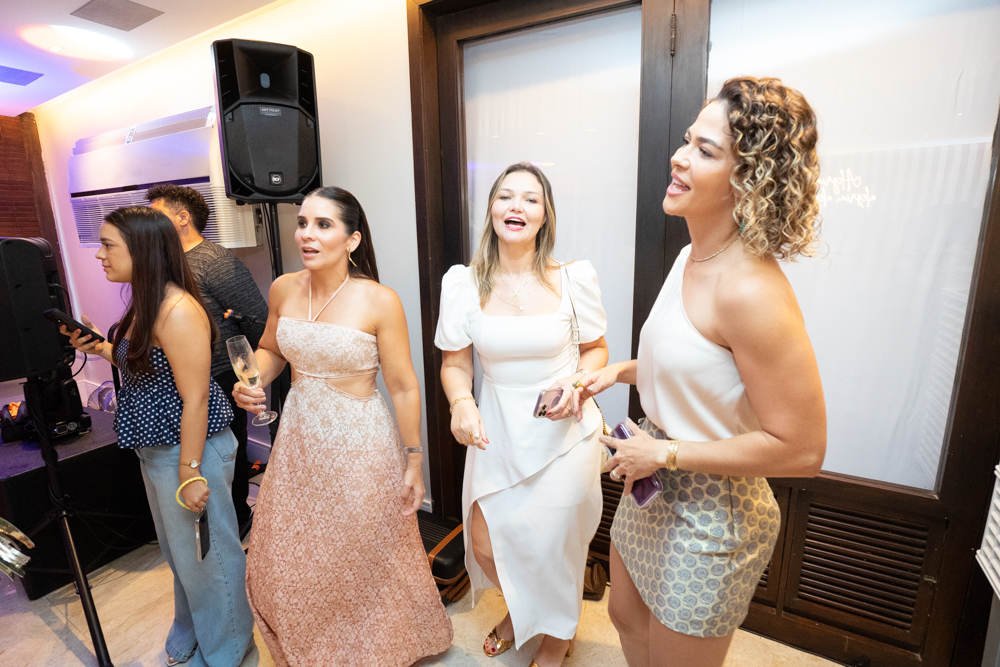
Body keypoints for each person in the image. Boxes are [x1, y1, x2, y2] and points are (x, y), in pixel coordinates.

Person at [577, 76, 827, 667]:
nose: (679, 156)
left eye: (706, 151)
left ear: (750, 180)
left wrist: (663, 454)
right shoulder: (691, 254)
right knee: (626, 619)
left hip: (714, 513)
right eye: (688, 140)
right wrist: (618, 372)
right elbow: (698, 364)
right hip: (652, 481)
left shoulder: (751, 292)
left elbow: (802, 448)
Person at [232, 186, 452, 666]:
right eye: (303, 223)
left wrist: (414, 459)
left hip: (359, 445)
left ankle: (376, 648)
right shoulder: (283, 288)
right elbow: (270, 350)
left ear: (352, 240)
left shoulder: (379, 300)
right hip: (298, 441)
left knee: (362, 553)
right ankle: (319, 648)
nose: (306, 235)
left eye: (323, 225)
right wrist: (252, 381)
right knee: (296, 552)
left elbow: (403, 387)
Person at [63, 206, 254, 667]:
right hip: (159, 448)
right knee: (182, 555)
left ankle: (229, 648)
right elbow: (148, 365)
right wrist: (101, 346)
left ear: (142, 250)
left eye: (108, 245)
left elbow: (196, 398)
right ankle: (195, 629)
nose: (99, 255)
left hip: (190, 451)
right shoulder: (147, 303)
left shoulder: (178, 310)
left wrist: (191, 472)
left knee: (209, 558)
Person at [436, 162, 610, 667]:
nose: (517, 206)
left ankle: (557, 637)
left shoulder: (573, 278)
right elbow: (454, 364)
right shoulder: (463, 283)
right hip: (496, 432)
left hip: (564, 433)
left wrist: (576, 382)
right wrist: (461, 403)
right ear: (492, 210)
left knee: (555, 545)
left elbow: (597, 350)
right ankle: (521, 609)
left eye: (530, 199)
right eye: (505, 196)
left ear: (544, 215)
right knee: (487, 544)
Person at [148, 183, 269, 535]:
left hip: (221, 374)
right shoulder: (164, 263)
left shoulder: (214, 261)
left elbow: (258, 320)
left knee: (226, 452)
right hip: (183, 375)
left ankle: (237, 518)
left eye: (157, 216)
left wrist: (250, 374)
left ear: (183, 218)